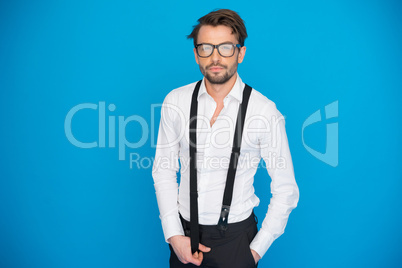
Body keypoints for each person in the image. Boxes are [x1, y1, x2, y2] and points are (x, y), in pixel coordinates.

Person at [152, 9, 299, 268]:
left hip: (237, 242)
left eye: (226, 47)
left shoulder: (264, 111)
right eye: (206, 48)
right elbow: (163, 171)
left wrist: (252, 252)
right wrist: (174, 235)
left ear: (240, 53)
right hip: (184, 237)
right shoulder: (175, 101)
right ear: (197, 54)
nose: (216, 57)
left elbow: (286, 190)